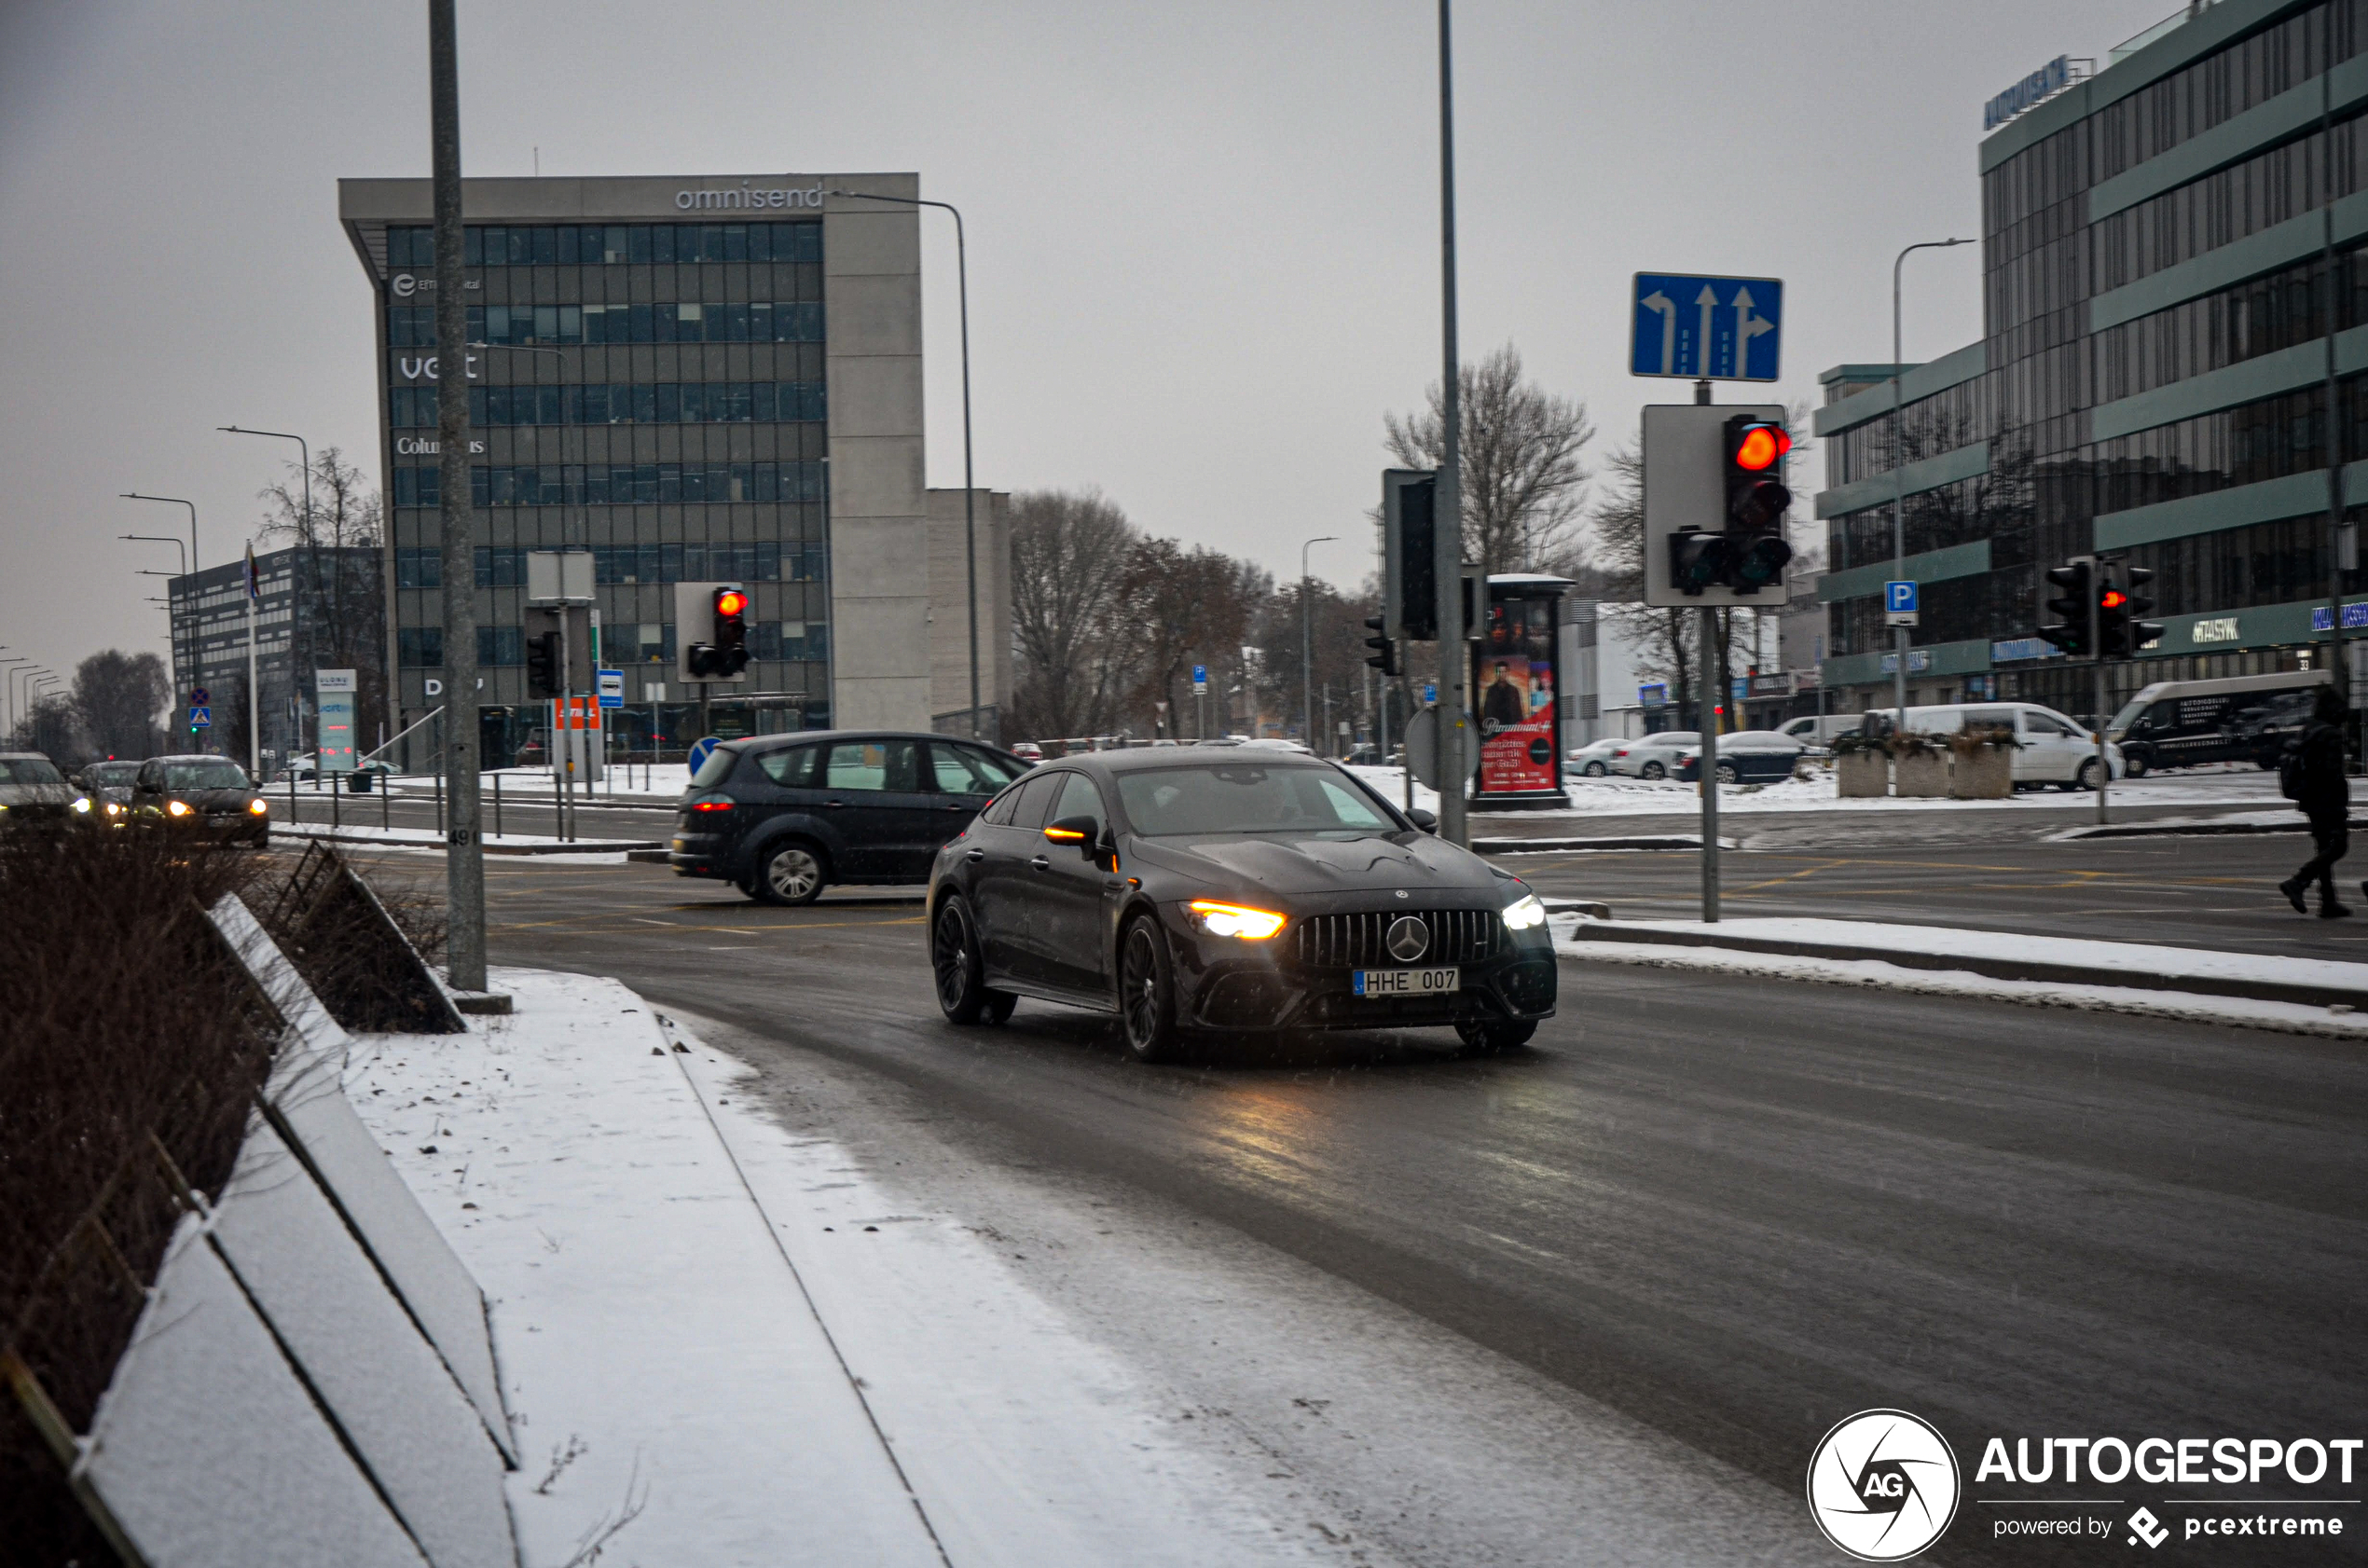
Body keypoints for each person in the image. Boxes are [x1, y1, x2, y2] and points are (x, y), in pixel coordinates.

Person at [2278, 683, 2351, 917]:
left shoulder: (2310, 729)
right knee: (2338, 846)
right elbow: (2331, 772)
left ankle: (2328, 901)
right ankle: (2299, 881)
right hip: (2328, 799)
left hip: (2309, 797)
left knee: (2323, 847)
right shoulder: (2331, 733)